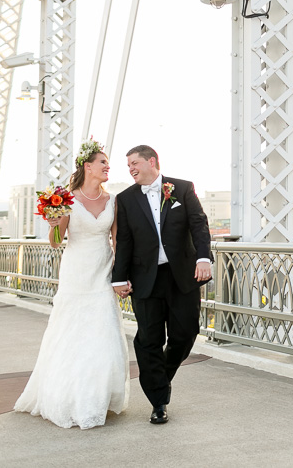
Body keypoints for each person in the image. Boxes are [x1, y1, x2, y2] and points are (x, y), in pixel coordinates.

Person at [14, 140, 130, 429]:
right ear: (87, 167)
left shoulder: (113, 201)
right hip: (76, 273)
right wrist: (53, 225)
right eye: (103, 162)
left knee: (102, 333)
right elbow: (56, 244)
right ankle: (67, 396)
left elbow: (118, 242)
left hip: (102, 271)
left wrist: (121, 276)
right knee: (72, 332)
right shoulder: (67, 199)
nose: (107, 167)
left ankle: (96, 397)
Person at [112, 145, 212, 424]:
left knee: (186, 332)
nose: (131, 168)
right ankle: (158, 402)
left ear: (152, 161)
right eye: (128, 165)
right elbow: (124, 242)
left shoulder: (182, 188)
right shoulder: (126, 199)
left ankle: (160, 377)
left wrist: (203, 258)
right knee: (148, 340)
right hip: (145, 279)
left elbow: (199, 225)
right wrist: (118, 278)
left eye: (135, 163)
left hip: (182, 275)